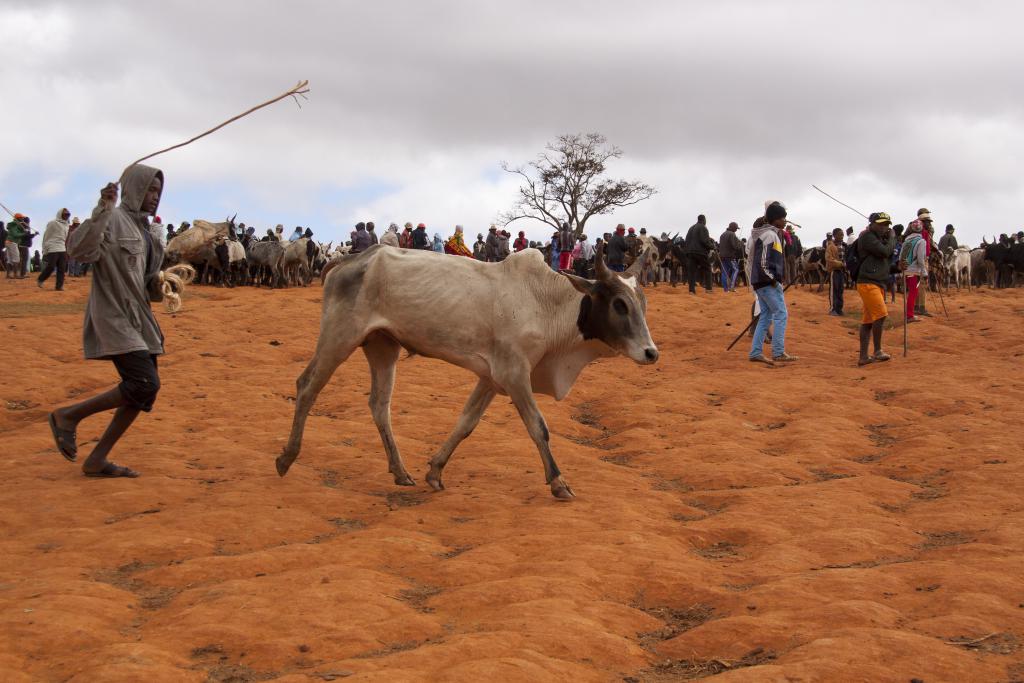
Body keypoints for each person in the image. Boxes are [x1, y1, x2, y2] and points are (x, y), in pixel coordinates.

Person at [49, 164, 169, 478]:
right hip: (113, 314)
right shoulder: (112, 219)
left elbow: (146, 283)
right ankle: (68, 416)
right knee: (144, 382)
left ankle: (96, 460)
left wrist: (162, 284)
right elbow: (79, 250)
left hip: (140, 318)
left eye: (158, 191)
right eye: (149, 189)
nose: (154, 197)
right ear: (132, 188)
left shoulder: (147, 232)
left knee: (145, 391)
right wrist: (103, 208)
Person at [749, 202, 795, 364]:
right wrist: (774, 280)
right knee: (781, 314)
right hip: (767, 282)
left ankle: (755, 352)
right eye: (783, 218)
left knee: (766, 317)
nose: (785, 221)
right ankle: (778, 352)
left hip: (761, 282)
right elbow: (763, 262)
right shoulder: (770, 235)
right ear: (776, 219)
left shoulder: (770, 234)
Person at [855, 212, 898, 366]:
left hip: (877, 282)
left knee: (868, 321)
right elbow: (885, 252)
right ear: (872, 224)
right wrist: (893, 238)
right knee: (880, 315)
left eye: (887, 224)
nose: (884, 227)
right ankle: (877, 351)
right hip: (868, 283)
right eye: (880, 224)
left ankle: (863, 357)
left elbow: (884, 264)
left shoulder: (879, 239)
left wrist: (897, 268)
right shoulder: (867, 237)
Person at [900, 221, 929, 324]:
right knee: (913, 292)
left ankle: (909, 314)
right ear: (921, 229)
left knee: (911, 292)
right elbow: (921, 259)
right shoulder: (921, 241)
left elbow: (901, 257)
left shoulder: (906, 241)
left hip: (906, 270)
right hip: (914, 271)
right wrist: (924, 272)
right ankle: (909, 315)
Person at [906, 208, 933, 317]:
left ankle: (916, 307)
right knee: (922, 283)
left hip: (912, 261)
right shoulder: (924, 233)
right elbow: (924, 250)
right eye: (927, 221)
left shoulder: (912, 229)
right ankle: (921, 307)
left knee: (916, 285)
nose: (929, 223)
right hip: (921, 260)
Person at [38, 208, 71, 290]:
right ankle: (41, 279)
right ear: (60, 214)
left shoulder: (67, 225)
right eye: (65, 214)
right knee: (51, 266)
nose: (67, 216)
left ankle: (59, 286)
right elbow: (46, 236)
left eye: (68, 214)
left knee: (62, 268)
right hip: (52, 246)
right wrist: (44, 248)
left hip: (62, 247)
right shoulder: (53, 223)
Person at [682, 214, 716, 293]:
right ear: (703, 220)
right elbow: (704, 241)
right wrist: (712, 247)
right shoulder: (703, 227)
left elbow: (686, 240)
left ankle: (691, 290)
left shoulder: (691, 228)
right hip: (700, 252)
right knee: (707, 268)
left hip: (690, 252)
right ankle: (709, 289)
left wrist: (687, 252)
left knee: (692, 271)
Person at [825, 228, 846, 315]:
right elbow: (829, 259)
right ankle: (833, 309)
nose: (842, 236)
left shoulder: (843, 246)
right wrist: (840, 264)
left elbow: (845, 257)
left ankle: (839, 308)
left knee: (840, 290)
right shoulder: (830, 247)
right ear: (834, 236)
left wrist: (845, 263)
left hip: (841, 271)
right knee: (834, 289)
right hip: (834, 271)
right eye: (840, 234)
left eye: (842, 234)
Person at [718, 221, 743, 292]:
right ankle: (732, 287)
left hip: (722, 256)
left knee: (724, 272)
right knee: (736, 270)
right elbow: (735, 246)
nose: (736, 230)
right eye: (736, 228)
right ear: (733, 227)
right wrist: (740, 244)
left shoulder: (722, 234)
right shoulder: (732, 234)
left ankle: (725, 289)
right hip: (730, 256)